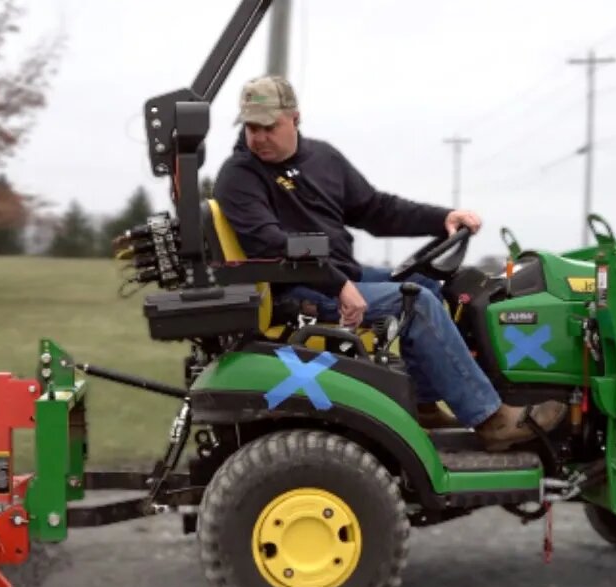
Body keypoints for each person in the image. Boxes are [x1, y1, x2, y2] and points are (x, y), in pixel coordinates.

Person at [212, 75, 564, 451]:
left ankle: (425, 401)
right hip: (298, 289)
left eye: (268, 127)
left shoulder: (323, 159)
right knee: (416, 302)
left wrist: (441, 218)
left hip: (340, 275)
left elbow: (376, 210)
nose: (259, 137)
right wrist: (339, 285)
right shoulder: (239, 177)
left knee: (435, 286)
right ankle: (489, 418)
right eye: (252, 127)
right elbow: (272, 243)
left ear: (294, 119)